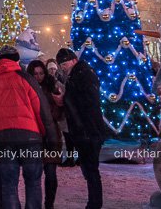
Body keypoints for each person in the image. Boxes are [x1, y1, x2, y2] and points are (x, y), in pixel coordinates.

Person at [0, 46, 58, 209]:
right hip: (30, 137)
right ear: (17, 60)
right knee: (33, 182)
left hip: (2, 137)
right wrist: (50, 137)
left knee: (9, 184)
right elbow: (42, 110)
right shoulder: (26, 79)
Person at [57, 47, 107, 209]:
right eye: (61, 64)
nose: (62, 66)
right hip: (87, 129)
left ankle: (94, 203)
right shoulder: (79, 73)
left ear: (73, 60)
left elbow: (87, 101)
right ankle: (94, 202)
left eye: (64, 63)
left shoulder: (81, 75)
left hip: (88, 129)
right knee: (89, 169)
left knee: (91, 169)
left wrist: (65, 99)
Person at [26, 59, 65, 209]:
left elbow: (59, 110)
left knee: (51, 174)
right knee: (34, 174)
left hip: (51, 136)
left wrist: (52, 113)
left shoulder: (52, 86)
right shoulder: (28, 88)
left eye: (41, 73)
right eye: (35, 74)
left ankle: (49, 204)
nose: (38, 77)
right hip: (33, 135)